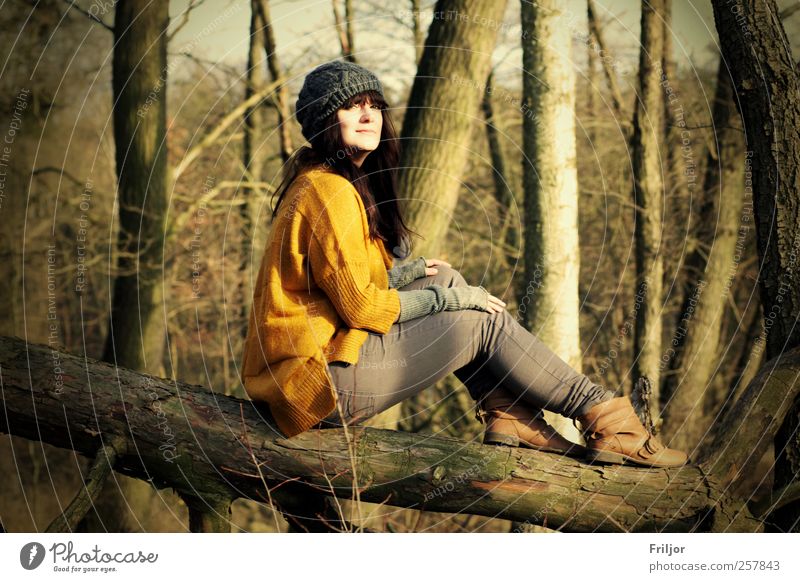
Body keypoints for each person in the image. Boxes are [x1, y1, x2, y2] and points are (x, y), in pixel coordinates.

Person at [241, 60, 689, 468]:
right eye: (351, 108)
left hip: (314, 372)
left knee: (444, 276)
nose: (367, 116)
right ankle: (608, 419)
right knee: (477, 320)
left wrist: (414, 277)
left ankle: (510, 416)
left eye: (374, 105)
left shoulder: (328, 183)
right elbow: (359, 309)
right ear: (324, 122)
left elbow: (338, 289)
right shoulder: (330, 192)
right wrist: (449, 300)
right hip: (314, 389)